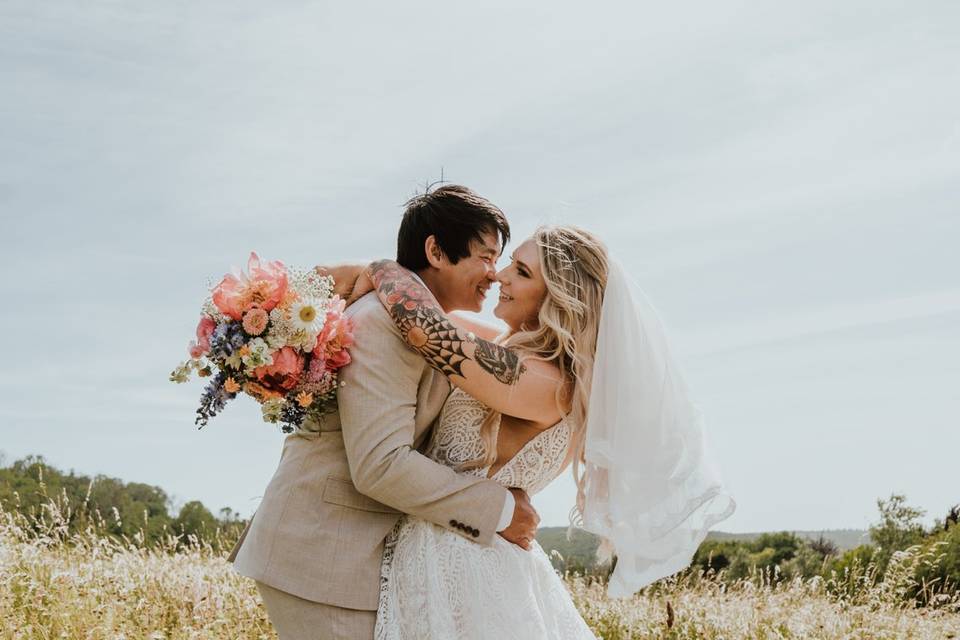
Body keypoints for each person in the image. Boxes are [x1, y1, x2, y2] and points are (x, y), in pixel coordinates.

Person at [350, 223, 736, 638]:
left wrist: (379, 267)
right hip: (463, 550)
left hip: (462, 565)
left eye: (521, 271)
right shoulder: (520, 355)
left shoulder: (543, 382)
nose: (500, 276)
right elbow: (440, 313)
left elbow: (423, 326)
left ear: (557, 298)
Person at [228, 185, 540, 640]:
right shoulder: (382, 324)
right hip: (324, 560)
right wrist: (500, 511)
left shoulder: (421, 320)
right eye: (486, 257)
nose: (494, 275)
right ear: (435, 250)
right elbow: (380, 465)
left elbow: (502, 347)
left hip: (345, 559)